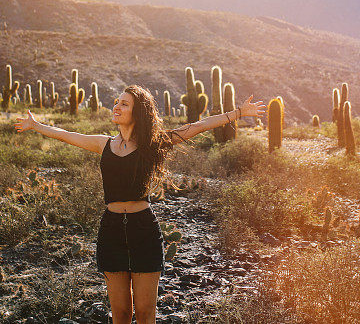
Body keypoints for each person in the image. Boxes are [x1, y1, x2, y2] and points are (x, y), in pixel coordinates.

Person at [14, 84, 266, 324]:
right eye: (117, 102)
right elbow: (68, 135)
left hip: (143, 229)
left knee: (146, 314)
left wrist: (239, 113)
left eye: (124, 104)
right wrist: (36, 125)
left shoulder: (152, 144)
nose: (117, 106)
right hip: (111, 230)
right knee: (121, 314)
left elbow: (197, 126)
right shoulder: (104, 144)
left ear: (138, 112)